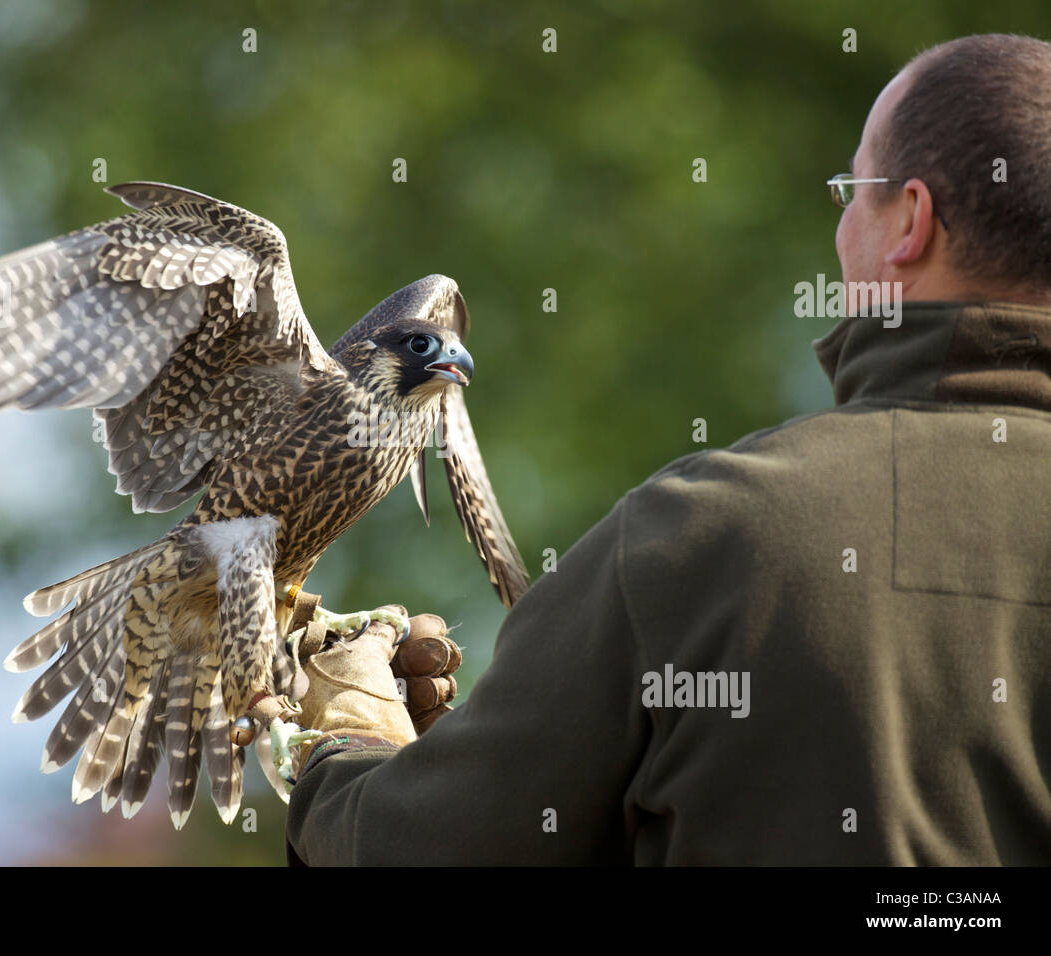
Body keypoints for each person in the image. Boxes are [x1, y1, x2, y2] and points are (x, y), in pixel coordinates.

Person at [283, 33, 1051, 865]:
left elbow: (419, 851)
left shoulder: (711, 537)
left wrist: (346, 753)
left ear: (910, 221)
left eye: (849, 194)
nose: (839, 231)